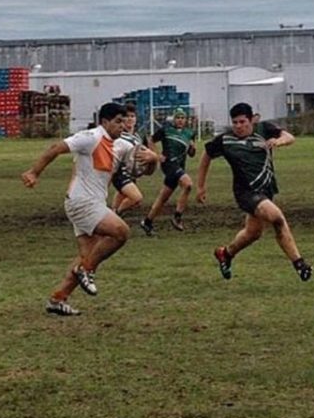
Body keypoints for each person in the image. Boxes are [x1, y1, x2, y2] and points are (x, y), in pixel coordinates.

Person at [21, 102, 157, 316]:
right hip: (81, 202)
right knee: (121, 232)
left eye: (125, 121)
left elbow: (145, 171)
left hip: (92, 203)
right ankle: (86, 270)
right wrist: (33, 172)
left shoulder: (121, 146)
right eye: (118, 121)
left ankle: (58, 299)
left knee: (88, 255)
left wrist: (152, 160)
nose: (123, 125)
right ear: (104, 122)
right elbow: (55, 148)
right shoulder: (90, 137)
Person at [196, 102, 313, 282]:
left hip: (266, 190)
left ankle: (225, 254)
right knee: (276, 217)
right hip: (246, 192)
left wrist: (278, 141)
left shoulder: (264, 129)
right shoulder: (225, 140)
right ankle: (300, 264)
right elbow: (206, 156)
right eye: (235, 122)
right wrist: (201, 186)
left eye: (242, 122)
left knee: (253, 233)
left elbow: (289, 137)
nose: (238, 126)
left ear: (252, 120)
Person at [140, 107, 196, 234]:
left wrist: (192, 148)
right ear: (174, 119)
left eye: (182, 118)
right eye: (178, 118)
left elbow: (191, 154)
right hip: (169, 164)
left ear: (186, 120)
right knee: (188, 184)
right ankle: (177, 217)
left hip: (179, 166)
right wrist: (156, 155)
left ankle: (147, 222)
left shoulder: (189, 133)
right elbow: (151, 139)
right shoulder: (166, 130)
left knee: (163, 197)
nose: (180, 120)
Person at [111, 103, 153, 216]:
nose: (130, 119)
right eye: (127, 116)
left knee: (122, 195)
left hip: (131, 173)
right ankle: (117, 215)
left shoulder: (138, 137)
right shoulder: (119, 136)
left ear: (136, 118)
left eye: (132, 116)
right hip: (120, 173)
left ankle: (113, 215)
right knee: (136, 198)